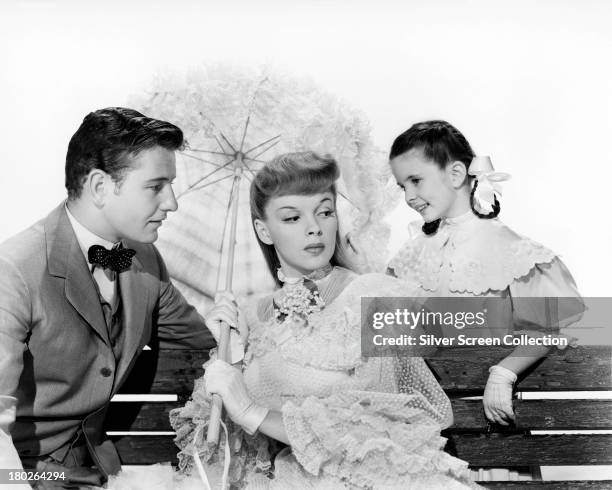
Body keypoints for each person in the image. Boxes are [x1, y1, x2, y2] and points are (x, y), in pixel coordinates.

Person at [167, 152, 480, 489]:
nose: (314, 227)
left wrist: (250, 411)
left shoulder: (369, 297)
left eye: (325, 212)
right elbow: (228, 453)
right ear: (264, 230)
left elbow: (371, 429)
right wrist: (233, 356)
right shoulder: (248, 317)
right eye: (292, 218)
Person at [0, 107, 216, 488]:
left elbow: (206, 346)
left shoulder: (144, 259)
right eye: (156, 186)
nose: (172, 203)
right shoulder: (13, 269)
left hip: (103, 469)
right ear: (100, 186)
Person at [386, 120, 583, 429]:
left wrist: (504, 374)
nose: (409, 196)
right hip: (427, 420)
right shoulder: (410, 257)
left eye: (415, 180)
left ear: (455, 174)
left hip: (490, 419)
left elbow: (545, 330)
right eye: (403, 186)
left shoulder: (511, 251)